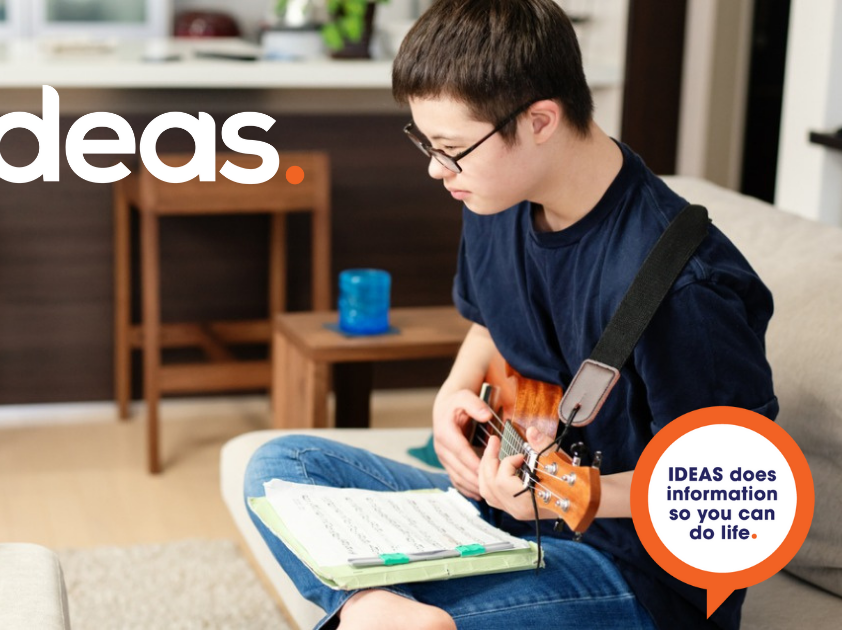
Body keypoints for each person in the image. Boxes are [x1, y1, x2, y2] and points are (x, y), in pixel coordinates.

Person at [243, 1, 777, 629]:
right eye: (426, 142)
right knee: (282, 469)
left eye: (451, 148)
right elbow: (494, 319)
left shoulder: (684, 287)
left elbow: (737, 492)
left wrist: (574, 493)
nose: (436, 169)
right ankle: (371, 603)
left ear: (540, 120)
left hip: (634, 577)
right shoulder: (494, 196)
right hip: (497, 518)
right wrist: (453, 393)